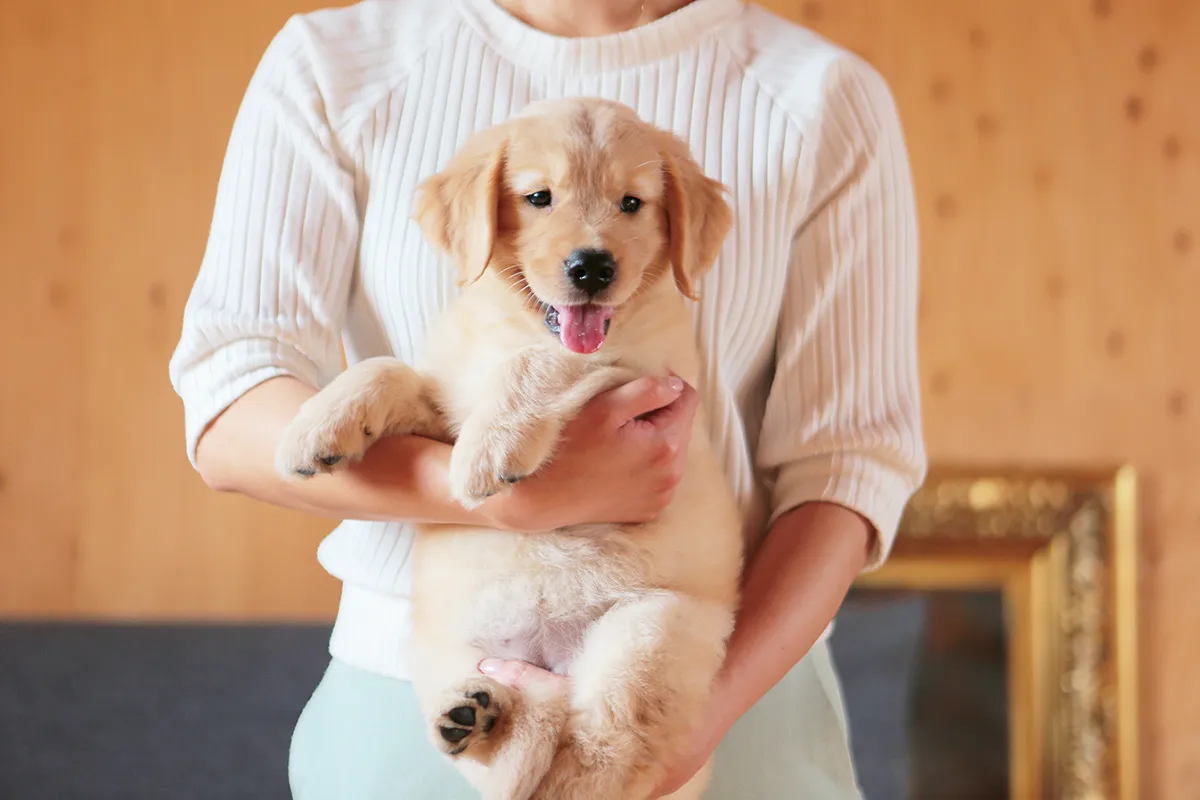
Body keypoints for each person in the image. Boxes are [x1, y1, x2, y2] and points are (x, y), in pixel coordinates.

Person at [167, 0, 927, 796]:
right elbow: (230, 398)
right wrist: (492, 499)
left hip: (726, 688)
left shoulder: (819, 94)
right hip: (425, 681)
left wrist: (692, 715)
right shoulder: (337, 62)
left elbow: (847, 467)